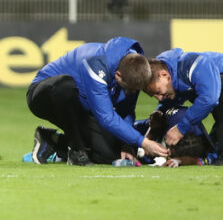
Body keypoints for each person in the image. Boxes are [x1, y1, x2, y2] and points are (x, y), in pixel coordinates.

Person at [27, 37, 169, 165]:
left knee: (110, 155)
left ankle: (51, 140)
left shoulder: (134, 71)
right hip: (44, 94)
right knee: (66, 88)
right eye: (129, 89)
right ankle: (76, 151)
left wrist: (126, 144)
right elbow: (106, 117)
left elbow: (126, 111)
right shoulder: (97, 65)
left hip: (80, 109)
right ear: (117, 75)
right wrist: (143, 142)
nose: (131, 93)